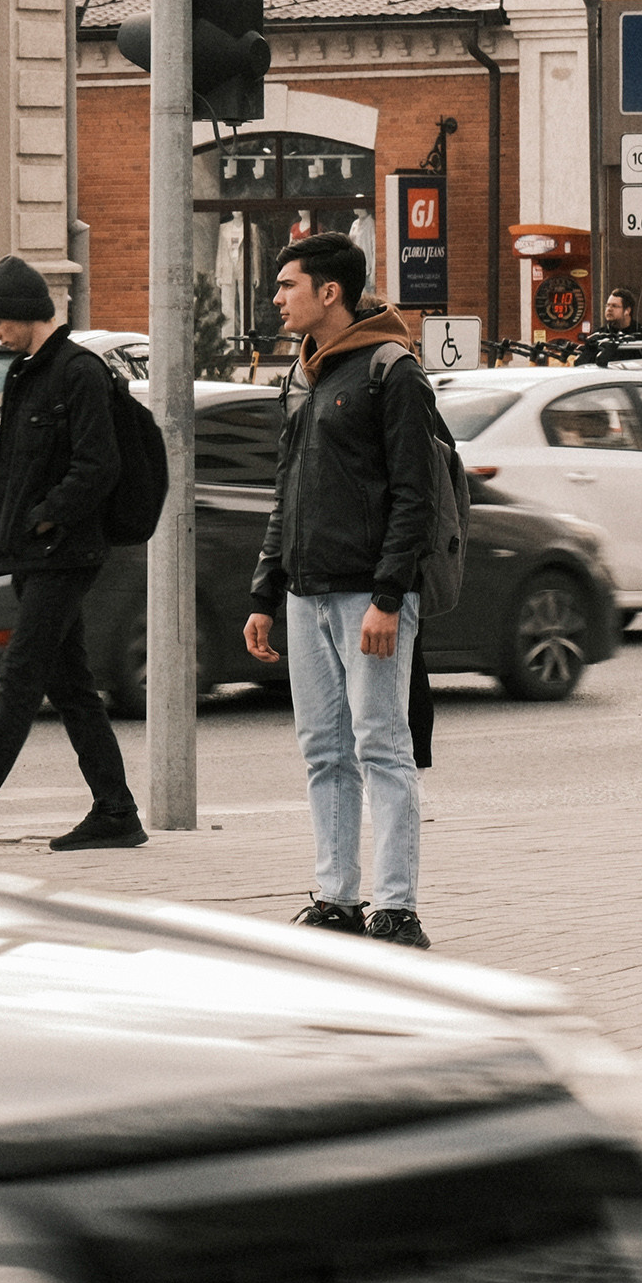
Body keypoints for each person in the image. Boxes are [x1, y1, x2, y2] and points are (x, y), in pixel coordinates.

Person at [242, 233, 437, 947]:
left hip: (368, 597)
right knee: (324, 749)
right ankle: (336, 897)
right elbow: (285, 493)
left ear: (330, 293)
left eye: (288, 285)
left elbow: (416, 495)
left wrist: (390, 596)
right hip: (305, 591)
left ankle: (395, 907)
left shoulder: (392, 370)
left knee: (382, 746)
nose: (278, 298)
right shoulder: (304, 376)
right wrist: (267, 592)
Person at [0, 257, 147, 853]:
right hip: (36, 554)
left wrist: (43, 516)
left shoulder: (80, 372)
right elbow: (15, 465)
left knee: (19, 683)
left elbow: (98, 465)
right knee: (73, 685)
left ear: (28, 315)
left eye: (0, 321)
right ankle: (116, 810)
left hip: (64, 552)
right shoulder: (31, 371)